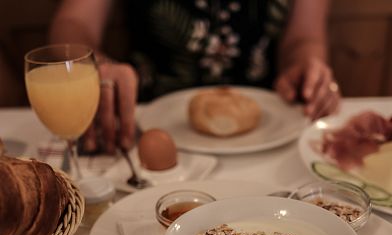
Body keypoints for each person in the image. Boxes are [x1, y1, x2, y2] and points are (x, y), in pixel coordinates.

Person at [49, 0, 341, 153]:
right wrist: (93, 65)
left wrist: (306, 65)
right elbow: (73, 23)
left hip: (270, 127)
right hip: (144, 120)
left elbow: (305, 35)